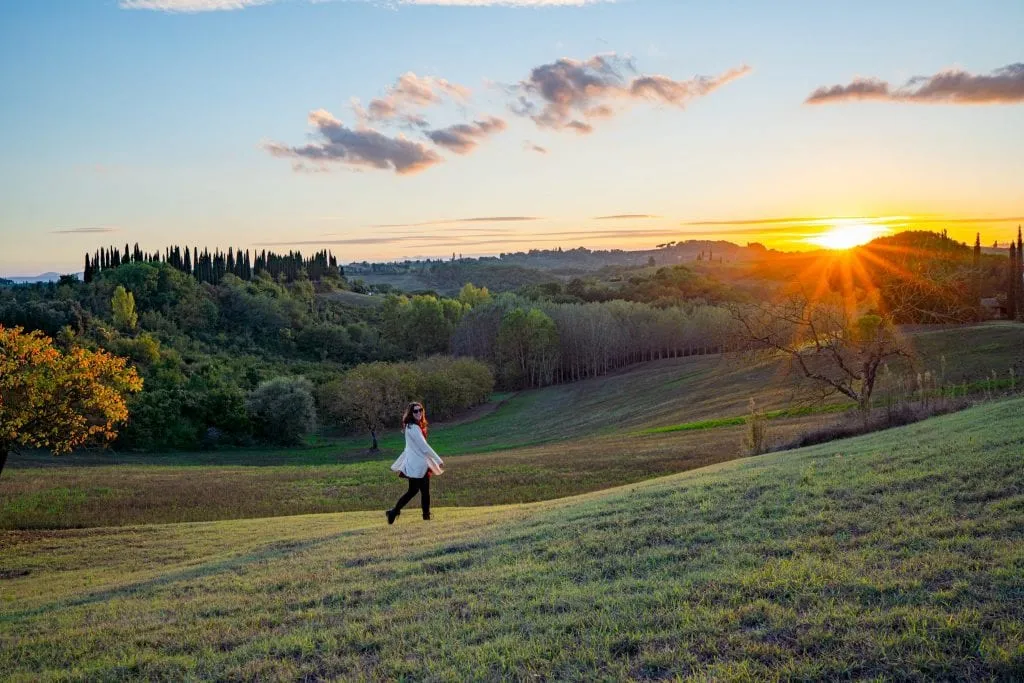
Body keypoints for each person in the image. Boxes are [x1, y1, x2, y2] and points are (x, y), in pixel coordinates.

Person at [386, 402, 444, 524]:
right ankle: (394, 512)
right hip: (418, 465)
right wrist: (438, 460)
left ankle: (423, 516)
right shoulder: (413, 427)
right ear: (411, 413)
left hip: (418, 464)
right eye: (415, 411)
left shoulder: (411, 426)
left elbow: (412, 447)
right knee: (415, 491)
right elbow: (424, 447)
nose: (419, 413)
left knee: (421, 491)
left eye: (420, 410)